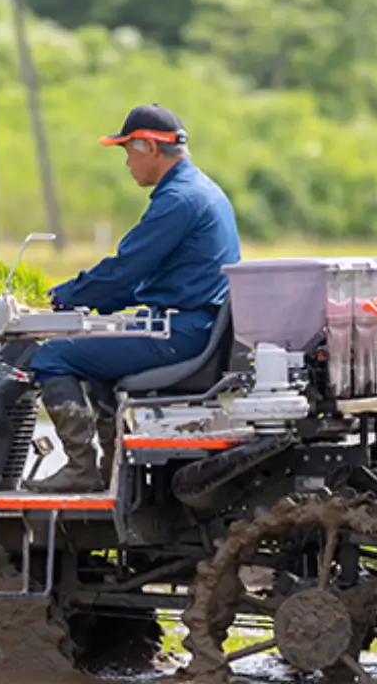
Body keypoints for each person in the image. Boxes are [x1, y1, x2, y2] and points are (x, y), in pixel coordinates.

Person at [23, 104, 240, 493]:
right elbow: (134, 281)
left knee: (52, 356)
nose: (126, 163)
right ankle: (110, 470)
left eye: (128, 151)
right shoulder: (199, 190)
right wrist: (85, 301)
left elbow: (126, 269)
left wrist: (58, 299)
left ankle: (80, 468)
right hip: (191, 326)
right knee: (94, 359)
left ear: (150, 148)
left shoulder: (179, 201)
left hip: (183, 333)